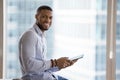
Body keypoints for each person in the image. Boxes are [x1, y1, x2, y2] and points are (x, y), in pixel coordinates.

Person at [19, 5, 78, 80]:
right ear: (36, 17)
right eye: (44, 17)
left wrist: (61, 65)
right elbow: (29, 66)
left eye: (50, 18)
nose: (48, 20)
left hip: (49, 77)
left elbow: (43, 67)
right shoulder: (30, 35)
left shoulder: (41, 37)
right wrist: (55, 62)